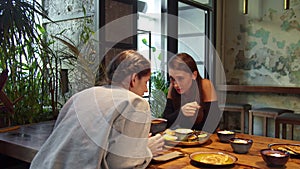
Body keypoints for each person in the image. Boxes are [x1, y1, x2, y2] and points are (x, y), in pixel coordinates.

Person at [30, 50, 164, 169]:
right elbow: (122, 165)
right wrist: (146, 150)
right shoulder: (135, 102)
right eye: (146, 82)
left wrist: (136, 145)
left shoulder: (81, 96)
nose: (146, 89)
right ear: (134, 79)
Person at [162, 53, 221, 132]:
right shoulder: (172, 87)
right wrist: (181, 113)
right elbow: (165, 122)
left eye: (180, 78)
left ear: (194, 75)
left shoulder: (205, 85)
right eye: (172, 78)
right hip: (182, 139)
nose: (176, 84)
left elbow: (214, 124)